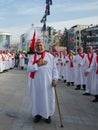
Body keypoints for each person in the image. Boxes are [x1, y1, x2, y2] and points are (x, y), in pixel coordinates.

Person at [27, 39, 58, 123]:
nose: (39, 47)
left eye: (41, 45)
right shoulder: (32, 57)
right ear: (35, 47)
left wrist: (55, 79)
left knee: (47, 98)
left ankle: (48, 115)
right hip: (35, 83)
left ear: (43, 46)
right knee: (36, 98)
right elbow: (29, 68)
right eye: (38, 45)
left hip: (47, 83)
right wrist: (38, 64)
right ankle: (37, 115)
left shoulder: (50, 56)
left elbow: (54, 69)